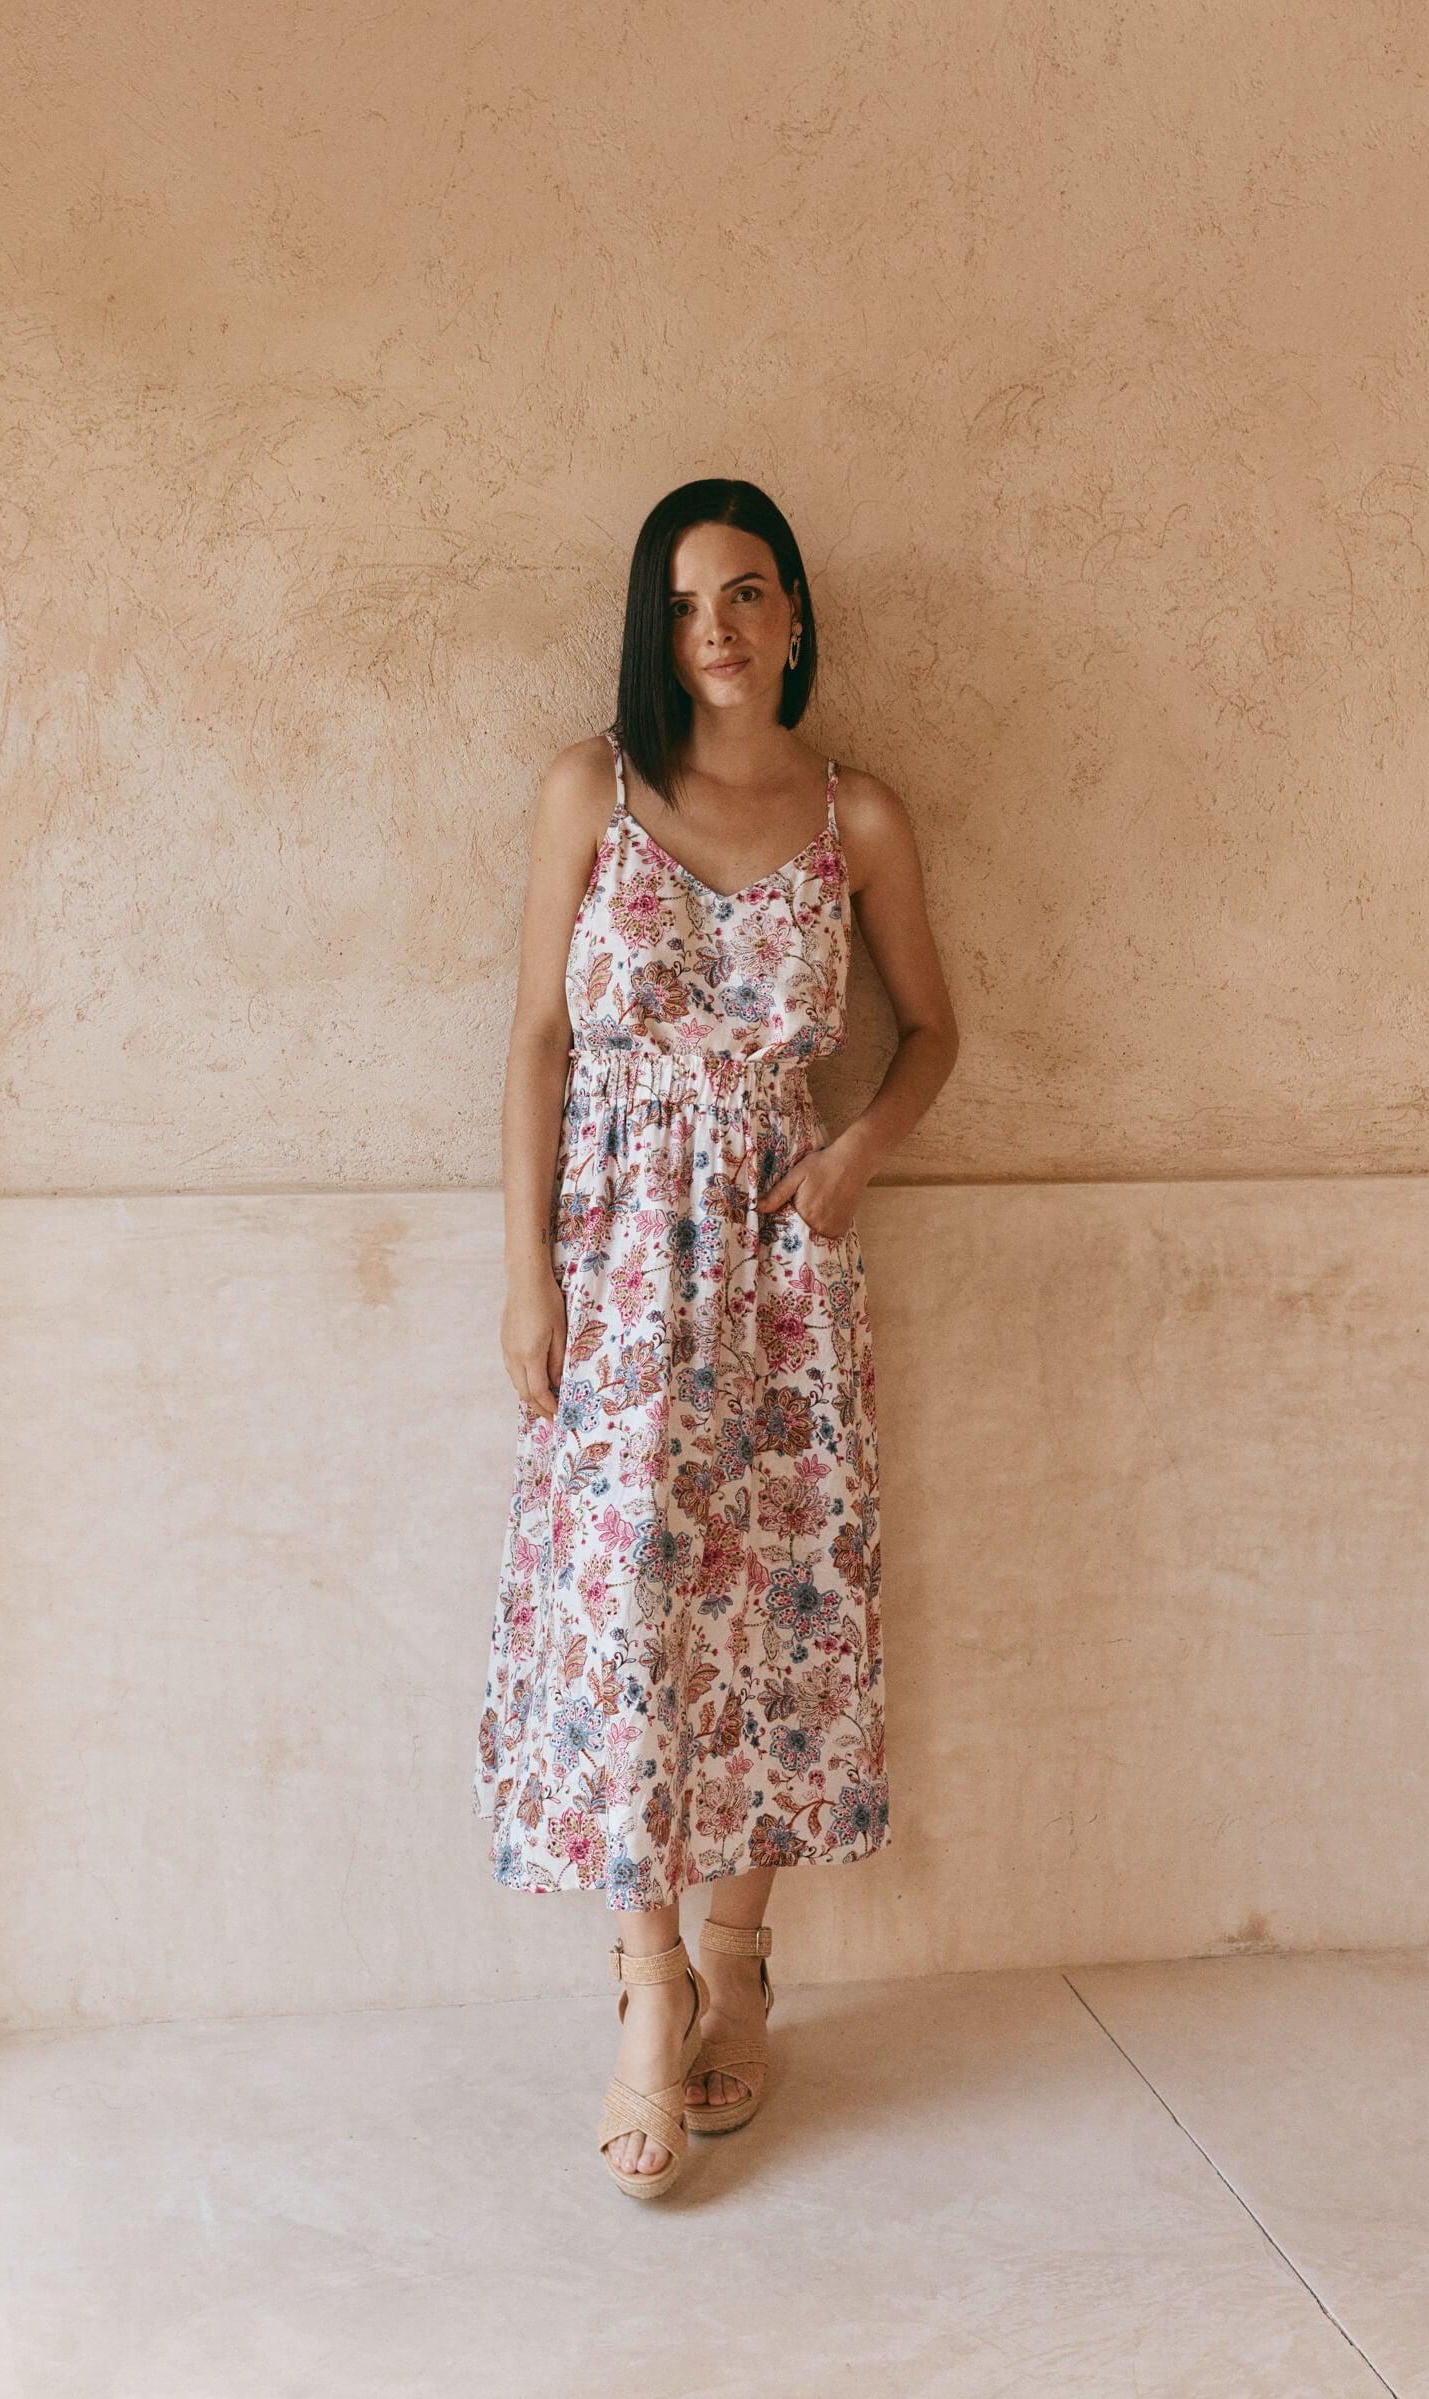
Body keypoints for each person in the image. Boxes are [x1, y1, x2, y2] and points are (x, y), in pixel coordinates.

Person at [472, 476, 959, 2198]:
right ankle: (643, 1990)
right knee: (625, 1620)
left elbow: (931, 1032)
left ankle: (744, 1968)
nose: (720, 633)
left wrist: (857, 1152)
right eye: (686, 608)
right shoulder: (588, 790)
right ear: (653, 630)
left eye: (747, 596)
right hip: (613, 1263)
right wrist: (524, 1269)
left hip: (779, 1263)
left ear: (797, 612)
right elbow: (537, 1035)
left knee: (772, 1607)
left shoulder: (861, 816)